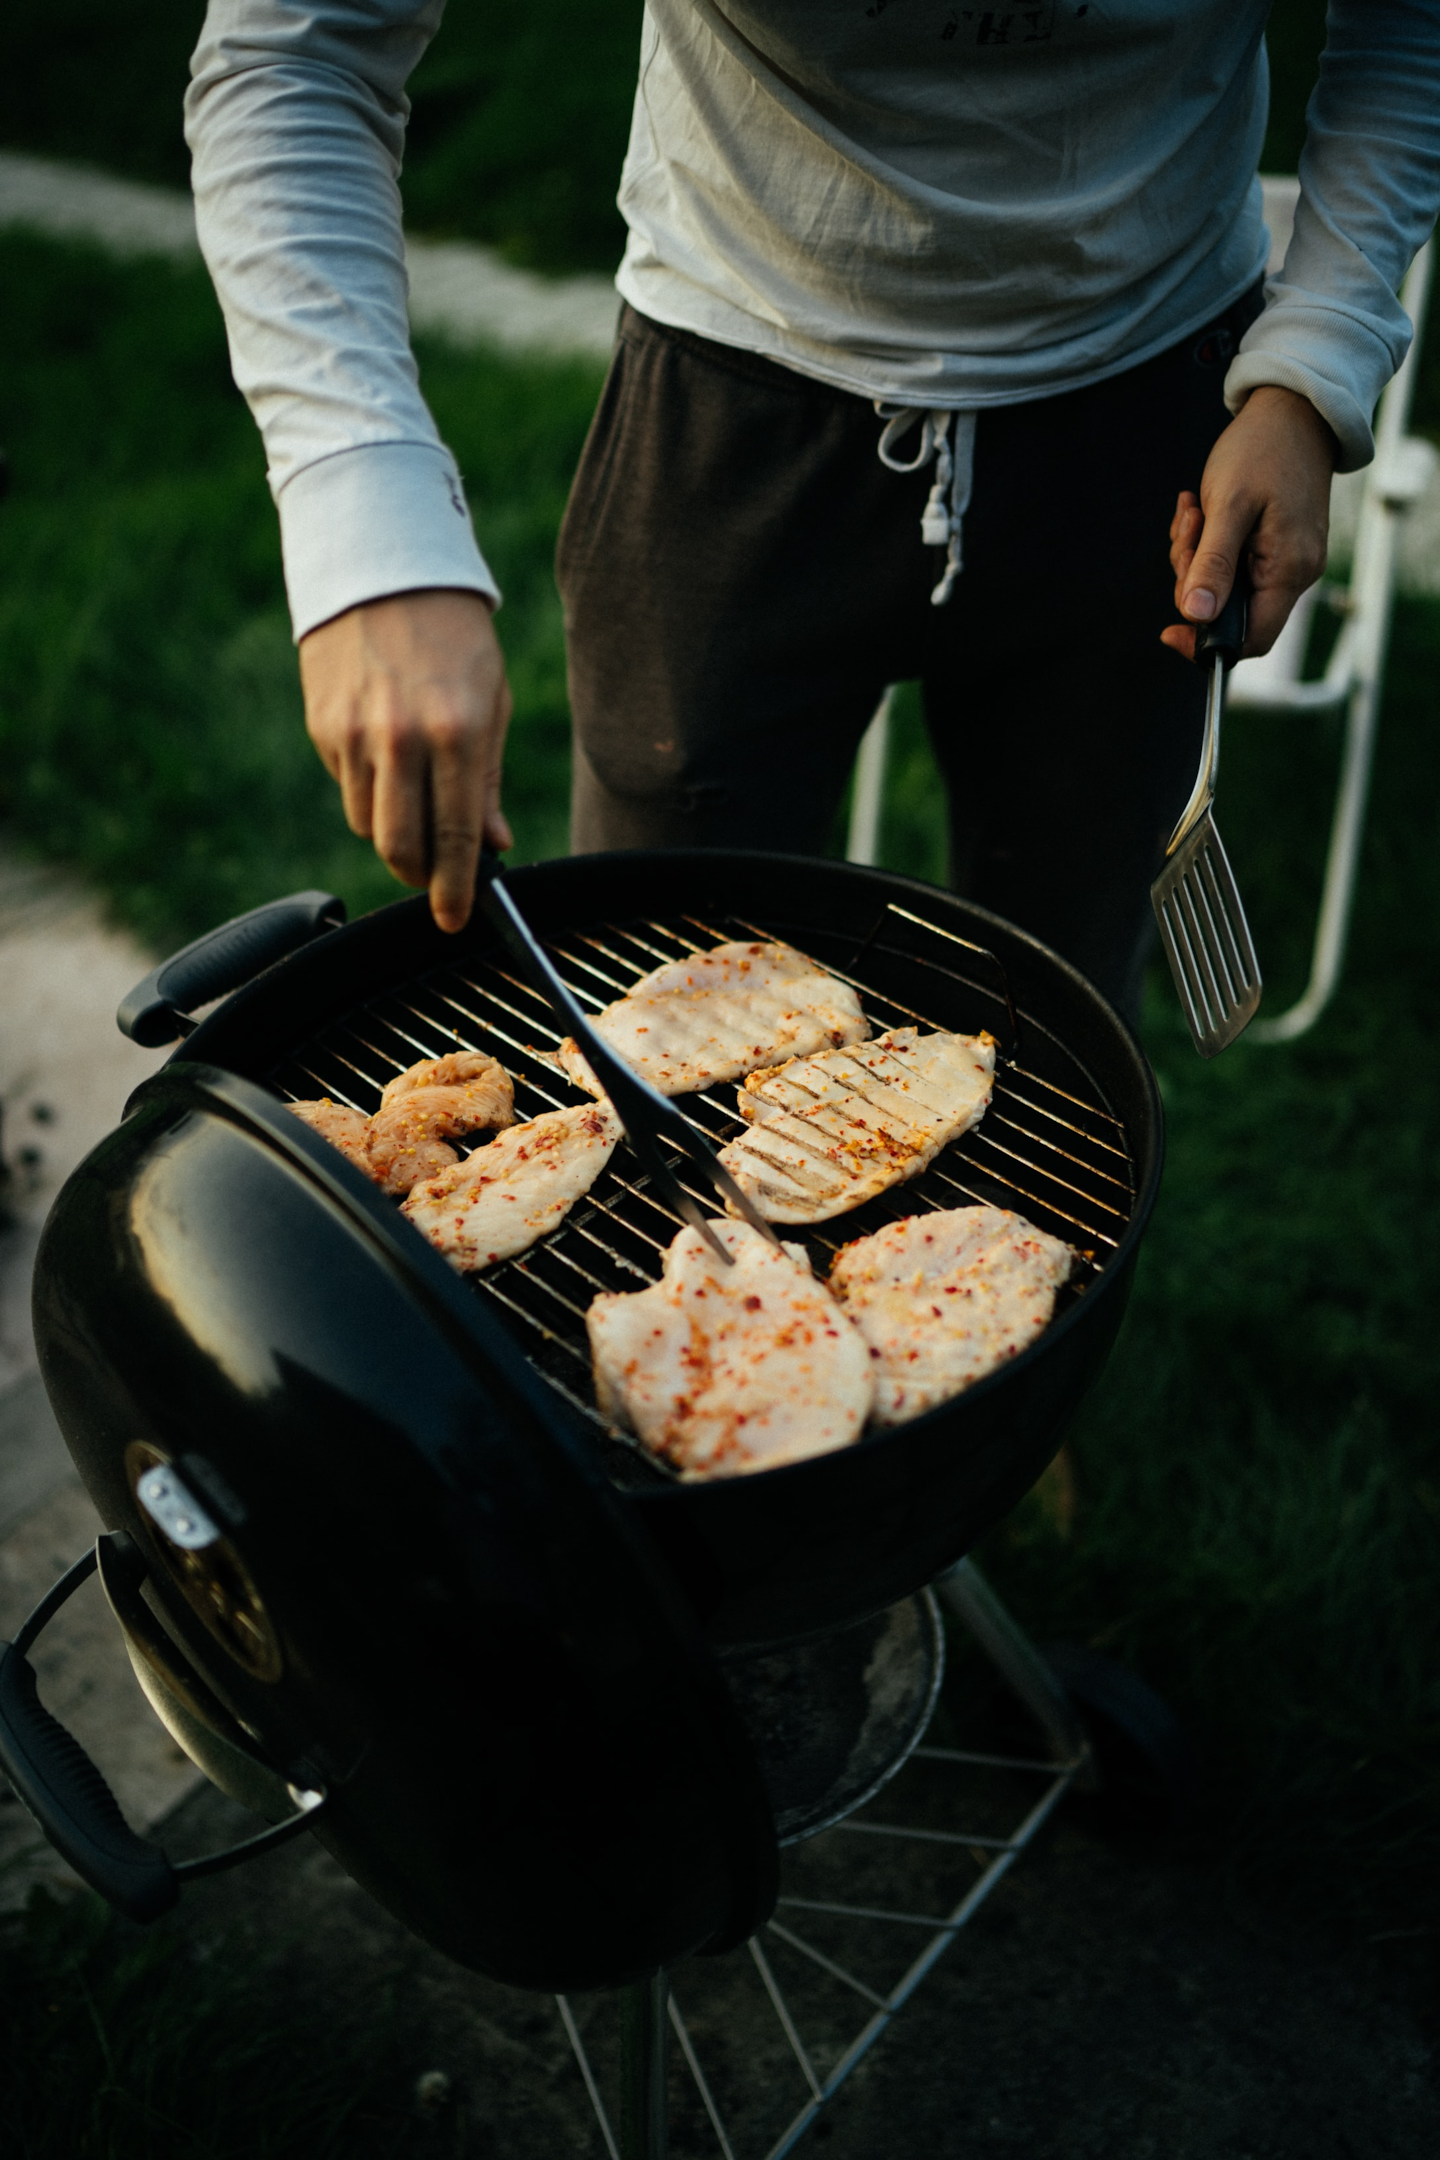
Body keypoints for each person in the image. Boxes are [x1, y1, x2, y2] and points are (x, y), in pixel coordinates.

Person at [185, 1, 1440, 1014]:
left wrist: (1310, 369)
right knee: (655, 1009)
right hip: (731, 399)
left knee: (1060, 1026)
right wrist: (368, 522)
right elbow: (297, 55)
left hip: (1153, 412)